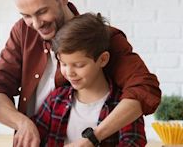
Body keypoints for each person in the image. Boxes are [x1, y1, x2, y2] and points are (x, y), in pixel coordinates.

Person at [0, 0, 160, 147]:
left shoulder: (101, 38)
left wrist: (92, 138)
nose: (35, 24)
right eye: (26, 15)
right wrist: (22, 123)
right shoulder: (23, 31)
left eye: (42, 11)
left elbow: (144, 89)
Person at [33, 13, 147, 146]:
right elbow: (34, 137)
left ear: (103, 59)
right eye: (63, 64)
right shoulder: (55, 100)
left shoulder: (123, 107)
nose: (69, 73)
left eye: (79, 65)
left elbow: (133, 143)